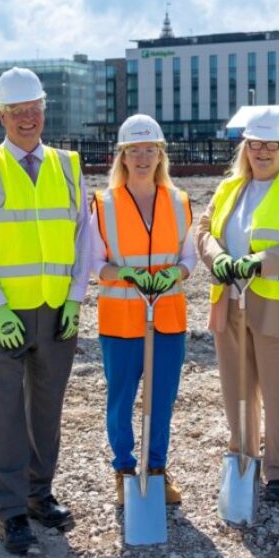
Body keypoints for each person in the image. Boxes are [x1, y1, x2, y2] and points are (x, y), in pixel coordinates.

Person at [0, 66, 89, 555]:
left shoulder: (69, 165)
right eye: (17, 111)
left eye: (34, 109)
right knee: (5, 414)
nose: (27, 118)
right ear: (1, 115)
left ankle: (38, 495)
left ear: (43, 110)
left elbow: (84, 238)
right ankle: (11, 511)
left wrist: (76, 298)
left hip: (57, 310)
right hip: (1, 316)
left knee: (47, 409)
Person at [195, 110, 279, 502]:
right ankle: (243, 457)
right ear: (245, 147)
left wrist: (260, 261)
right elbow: (202, 230)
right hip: (230, 302)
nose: (263, 152)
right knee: (237, 389)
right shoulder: (230, 187)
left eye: (272, 145)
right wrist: (216, 257)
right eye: (256, 144)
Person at [89, 114, 195, 506]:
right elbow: (94, 264)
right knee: (120, 399)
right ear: (122, 156)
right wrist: (126, 274)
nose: (143, 157)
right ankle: (123, 469)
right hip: (120, 321)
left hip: (167, 318)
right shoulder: (103, 204)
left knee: (161, 397)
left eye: (150, 149)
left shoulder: (179, 200)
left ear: (161, 154)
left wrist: (176, 274)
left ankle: (156, 469)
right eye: (134, 150)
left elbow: (189, 256)